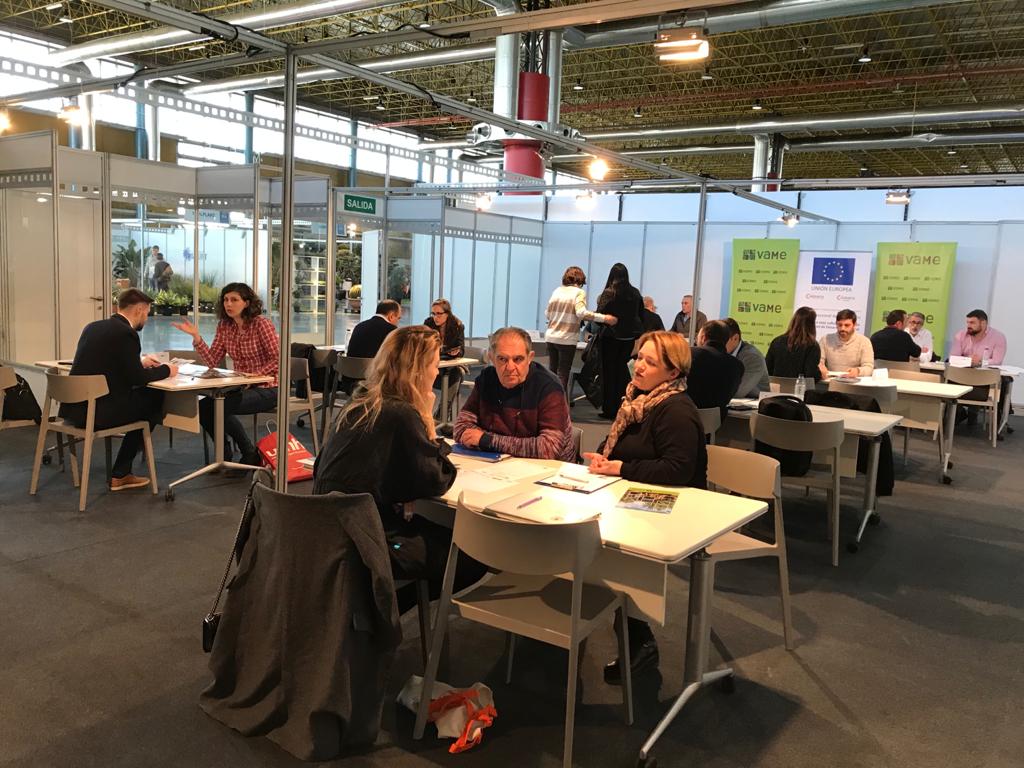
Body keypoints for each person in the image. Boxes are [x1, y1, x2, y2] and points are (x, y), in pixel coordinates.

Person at [313, 326, 485, 611]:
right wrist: (428, 419)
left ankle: (372, 609)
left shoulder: (358, 402)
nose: (436, 372)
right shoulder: (401, 414)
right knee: (473, 553)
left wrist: (404, 488)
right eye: (434, 365)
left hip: (327, 532)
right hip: (369, 540)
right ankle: (383, 611)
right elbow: (438, 479)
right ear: (418, 370)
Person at [582, 330, 707, 684]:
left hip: (678, 508)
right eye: (639, 357)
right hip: (633, 496)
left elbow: (677, 470)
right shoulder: (636, 399)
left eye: (650, 362)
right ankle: (632, 634)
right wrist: (604, 459)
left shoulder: (676, 410)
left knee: (614, 549)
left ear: (672, 372)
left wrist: (620, 467)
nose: (638, 366)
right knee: (585, 534)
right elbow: (618, 447)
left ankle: (638, 639)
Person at [61, 289, 179, 490]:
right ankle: (121, 472)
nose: (146, 319)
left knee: (143, 400)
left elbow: (107, 364)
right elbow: (138, 379)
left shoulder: (92, 327)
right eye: (147, 313)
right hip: (99, 414)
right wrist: (167, 370)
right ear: (139, 309)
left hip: (75, 410)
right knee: (153, 398)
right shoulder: (126, 333)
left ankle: (125, 469)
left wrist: (139, 362)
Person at [172, 282, 279, 465]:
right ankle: (224, 451)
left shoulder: (261, 324)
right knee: (204, 407)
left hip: (269, 387)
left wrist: (256, 375)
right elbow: (213, 361)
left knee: (220, 406)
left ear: (246, 303)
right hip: (241, 387)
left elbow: (278, 358)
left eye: (234, 300)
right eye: (226, 300)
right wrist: (196, 337)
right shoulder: (225, 326)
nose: (228, 304)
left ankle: (249, 452)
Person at [454, 327, 574, 460]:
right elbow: (460, 428)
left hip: (549, 468)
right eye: (502, 359)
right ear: (491, 358)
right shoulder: (486, 379)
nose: (510, 368)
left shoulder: (549, 386)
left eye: (518, 359)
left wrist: (487, 440)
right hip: (496, 463)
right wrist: (513, 445)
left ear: (530, 358)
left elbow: (549, 448)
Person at [544, 266, 616, 396]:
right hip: (566, 339)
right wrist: (605, 318)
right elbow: (581, 313)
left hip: (550, 337)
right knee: (563, 374)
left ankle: (548, 403)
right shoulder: (578, 292)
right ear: (580, 279)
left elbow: (547, 314)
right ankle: (559, 406)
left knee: (552, 373)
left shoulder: (557, 291)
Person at [595, 263, 643, 419]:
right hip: (628, 339)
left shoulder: (609, 293)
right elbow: (641, 316)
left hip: (610, 338)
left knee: (609, 374)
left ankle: (609, 409)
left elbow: (599, 317)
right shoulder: (635, 293)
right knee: (622, 373)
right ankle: (622, 406)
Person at [686, 319, 744, 413]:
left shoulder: (688, 354)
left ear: (703, 337)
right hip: (716, 419)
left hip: (684, 415)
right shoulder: (737, 366)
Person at [423, 298, 465, 419]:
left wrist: (456, 352)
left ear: (447, 314)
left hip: (449, 365)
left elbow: (461, 350)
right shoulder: (428, 324)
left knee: (457, 372)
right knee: (456, 375)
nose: (435, 317)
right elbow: (423, 347)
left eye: (439, 314)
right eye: (433, 313)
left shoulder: (457, 326)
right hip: (432, 366)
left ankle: (442, 414)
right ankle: (441, 416)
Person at [766, 306, 822, 381]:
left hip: (776, 387)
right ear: (812, 324)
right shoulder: (812, 345)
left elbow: (767, 369)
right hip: (800, 387)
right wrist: (821, 374)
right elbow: (811, 376)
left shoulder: (777, 341)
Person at [818, 309, 874, 378]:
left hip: (853, 382)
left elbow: (869, 367)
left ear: (854, 325)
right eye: (840, 325)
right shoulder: (825, 340)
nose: (842, 328)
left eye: (847, 325)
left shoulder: (864, 341)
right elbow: (819, 361)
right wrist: (820, 367)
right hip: (830, 381)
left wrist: (858, 371)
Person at [723, 317, 770, 398]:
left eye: (721, 339)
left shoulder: (753, 357)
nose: (717, 343)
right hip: (731, 401)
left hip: (753, 402)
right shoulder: (720, 353)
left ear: (735, 338)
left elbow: (737, 392)